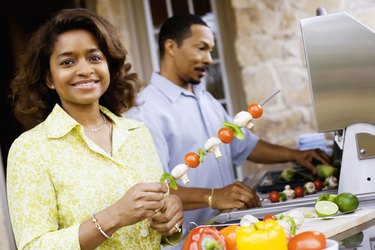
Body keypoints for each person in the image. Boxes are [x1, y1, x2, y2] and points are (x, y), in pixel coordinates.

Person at [125, 14, 331, 245]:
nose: (209, 59)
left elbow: (245, 145)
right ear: (171, 46)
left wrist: (296, 155)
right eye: (201, 48)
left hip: (229, 236)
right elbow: (155, 192)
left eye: (210, 50)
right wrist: (213, 196)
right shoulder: (144, 112)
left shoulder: (206, 98)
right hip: (189, 243)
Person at [6, 8, 183, 250]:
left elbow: (156, 226)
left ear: (108, 65)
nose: (85, 70)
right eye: (67, 62)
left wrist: (171, 213)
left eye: (94, 58)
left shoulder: (137, 133)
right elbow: (34, 246)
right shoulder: (30, 150)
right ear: (49, 78)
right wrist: (114, 217)